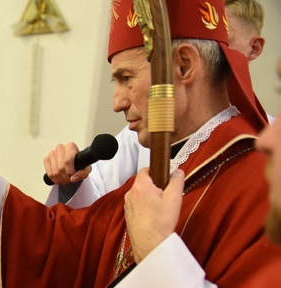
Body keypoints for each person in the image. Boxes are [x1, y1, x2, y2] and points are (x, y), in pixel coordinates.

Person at [0, 0, 276, 288]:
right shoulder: (174, 164)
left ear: (182, 67)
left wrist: (158, 252)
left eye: (126, 78)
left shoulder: (261, 184)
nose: (117, 101)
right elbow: (73, 243)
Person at [45, 0, 269, 208]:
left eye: (222, 39)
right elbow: (98, 219)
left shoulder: (265, 148)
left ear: (254, 49)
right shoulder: (139, 135)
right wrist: (72, 183)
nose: (209, 46)